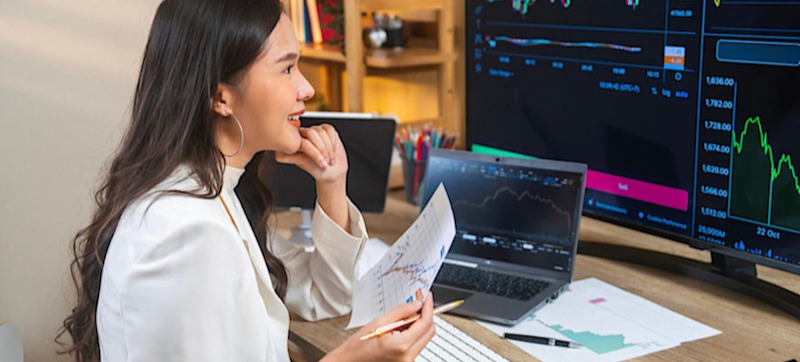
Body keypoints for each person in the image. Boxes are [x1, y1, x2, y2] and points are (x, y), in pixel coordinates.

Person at [57, 0, 435, 360]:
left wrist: (332, 185)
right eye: (287, 68)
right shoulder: (192, 235)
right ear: (221, 97)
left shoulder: (218, 194)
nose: (307, 89)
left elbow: (323, 295)